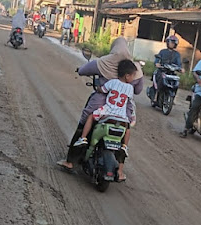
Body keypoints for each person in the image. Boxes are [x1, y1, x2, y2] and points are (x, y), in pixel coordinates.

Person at [57, 37, 144, 179]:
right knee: (125, 130)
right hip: (123, 111)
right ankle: (121, 164)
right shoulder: (134, 70)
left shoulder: (103, 62)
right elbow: (138, 90)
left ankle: (71, 160)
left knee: (84, 123)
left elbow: (84, 71)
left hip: (101, 105)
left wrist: (82, 72)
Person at [73, 60, 137, 181]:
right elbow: (129, 102)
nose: (133, 78)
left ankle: (83, 138)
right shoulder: (130, 88)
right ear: (127, 76)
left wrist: (98, 88)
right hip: (121, 116)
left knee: (91, 116)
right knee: (127, 128)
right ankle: (124, 146)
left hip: (107, 112)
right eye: (133, 75)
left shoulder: (112, 82)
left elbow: (102, 90)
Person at [151, 35, 184, 103]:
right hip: (162, 70)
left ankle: (172, 97)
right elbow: (157, 59)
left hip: (171, 72)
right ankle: (156, 95)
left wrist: (181, 69)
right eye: (170, 42)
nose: (172, 44)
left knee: (176, 82)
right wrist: (157, 63)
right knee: (160, 78)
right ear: (167, 42)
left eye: (173, 43)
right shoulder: (162, 51)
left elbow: (179, 63)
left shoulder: (177, 54)